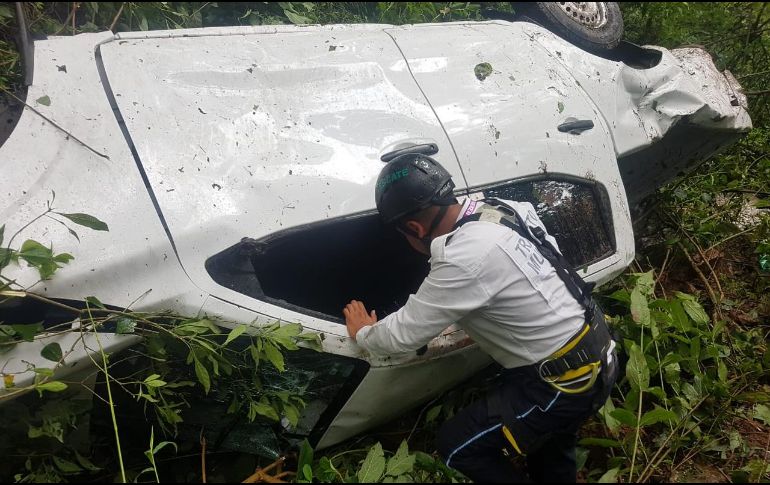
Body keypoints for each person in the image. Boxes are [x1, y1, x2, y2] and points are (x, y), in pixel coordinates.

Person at [343, 152, 619, 483]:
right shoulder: (501, 207)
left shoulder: (462, 258)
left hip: (565, 384)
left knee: (459, 446)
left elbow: (401, 336)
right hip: (598, 347)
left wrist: (363, 333)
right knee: (550, 446)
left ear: (414, 227)